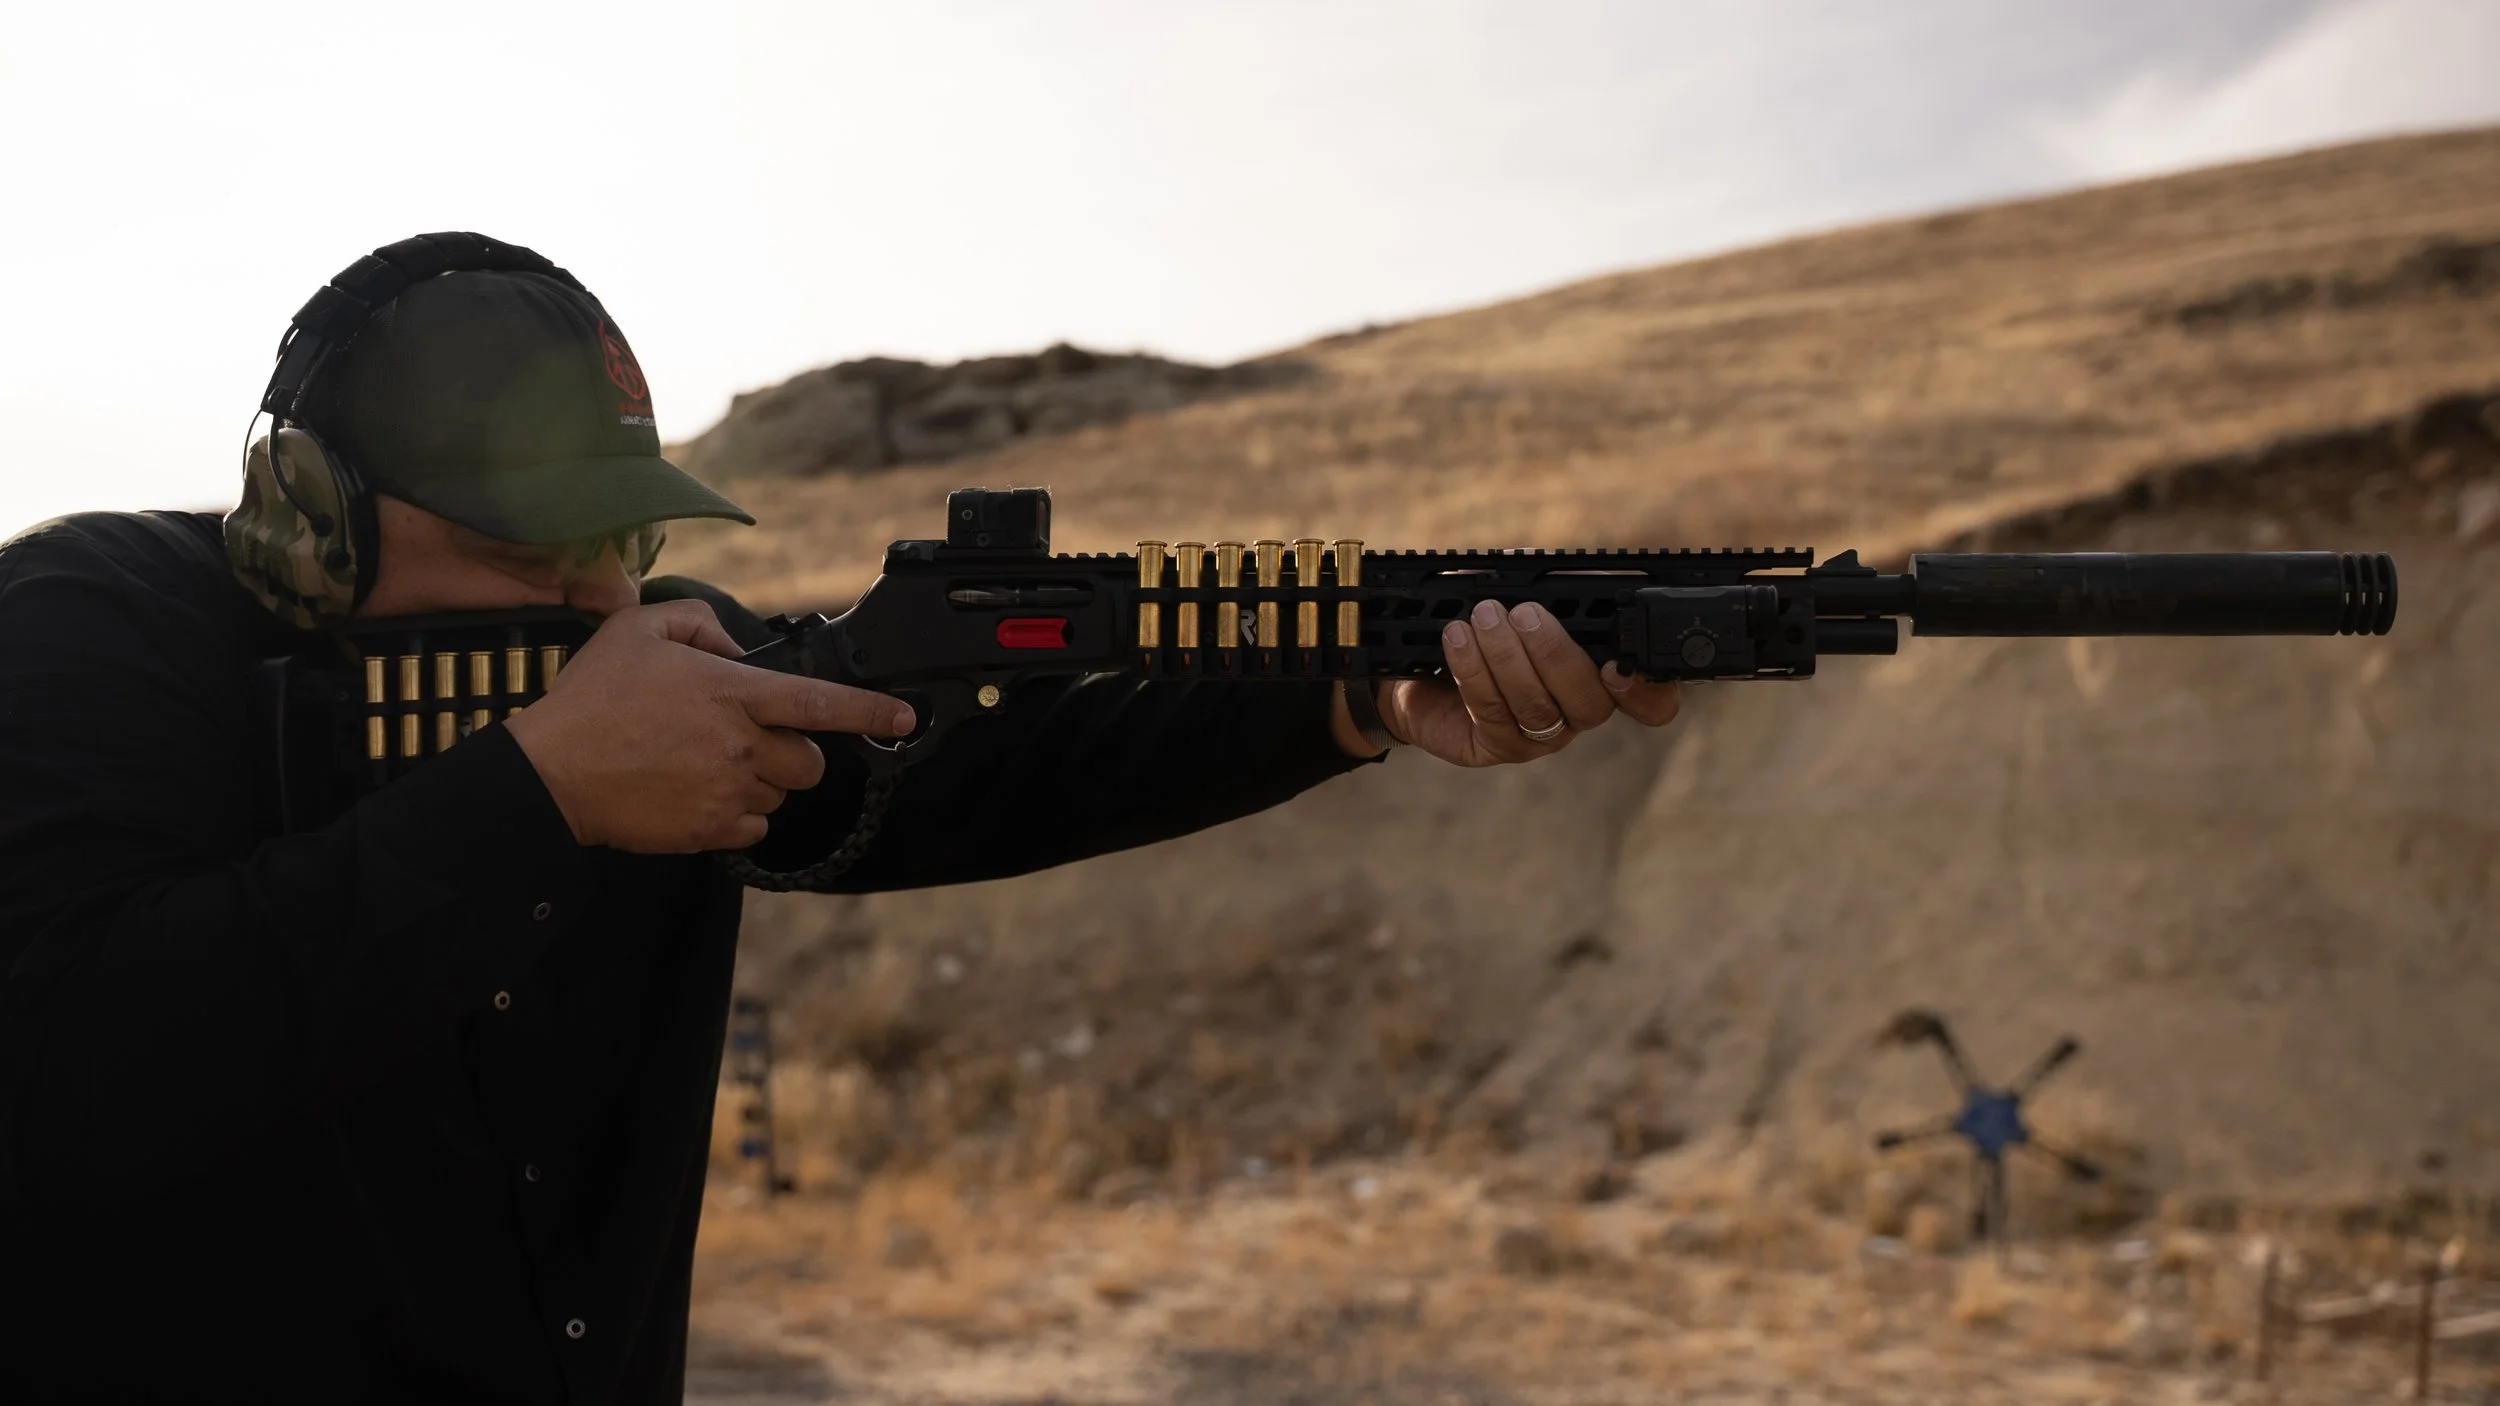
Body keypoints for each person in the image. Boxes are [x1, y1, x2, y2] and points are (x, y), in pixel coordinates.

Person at [0, 234, 1680, 1403]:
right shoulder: (93, 628)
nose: (594, 601)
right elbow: (67, 1066)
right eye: (533, 554)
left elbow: (978, 765)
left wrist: (1350, 696)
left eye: (620, 547)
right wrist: (540, 796)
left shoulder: (652, 663)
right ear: (311, 519)